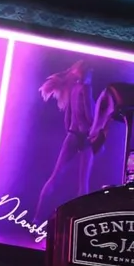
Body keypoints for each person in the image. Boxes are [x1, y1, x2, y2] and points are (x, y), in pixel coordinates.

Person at [36, 60, 96, 221]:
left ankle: (37, 218)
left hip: (73, 134)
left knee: (55, 177)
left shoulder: (73, 89)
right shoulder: (86, 88)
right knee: (83, 183)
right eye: (91, 71)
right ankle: (81, 222)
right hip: (86, 136)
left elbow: (67, 119)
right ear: (88, 72)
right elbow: (90, 117)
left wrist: (71, 134)